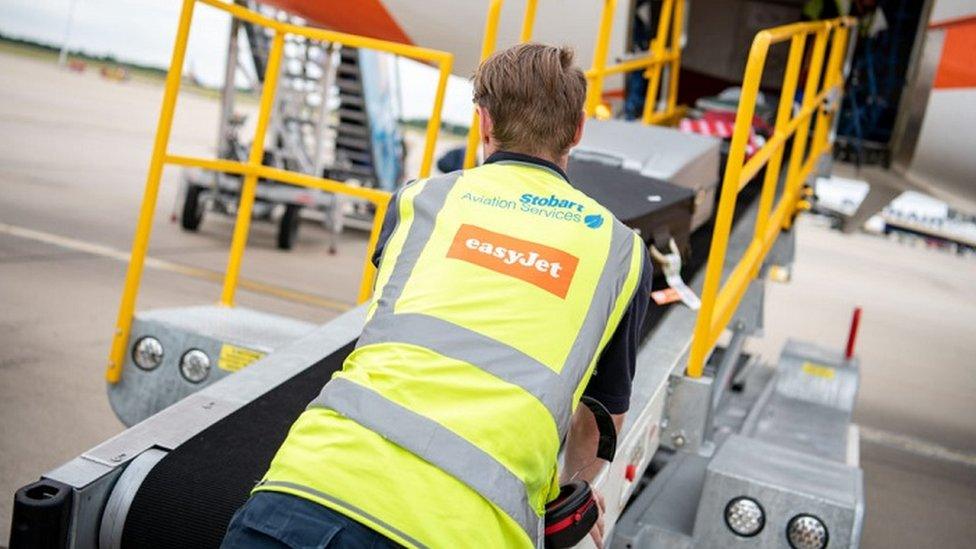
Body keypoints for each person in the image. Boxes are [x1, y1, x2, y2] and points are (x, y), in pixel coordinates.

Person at [222, 43, 652, 549]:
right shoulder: (620, 251)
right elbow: (599, 423)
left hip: (308, 491)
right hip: (462, 532)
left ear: (483, 122)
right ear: (578, 130)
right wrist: (572, 493)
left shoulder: (418, 199)